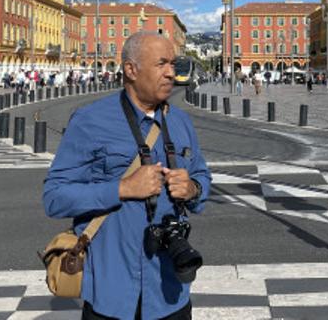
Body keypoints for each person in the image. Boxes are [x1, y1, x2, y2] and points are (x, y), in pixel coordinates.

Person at [43, 32, 211, 320]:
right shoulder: (90, 120)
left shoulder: (180, 122)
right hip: (112, 296)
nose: (171, 72)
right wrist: (122, 188)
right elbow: (54, 198)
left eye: (173, 63)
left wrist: (193, 188)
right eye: (161, 64)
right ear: (131, 70)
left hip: (170, 292)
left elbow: (202, 177)